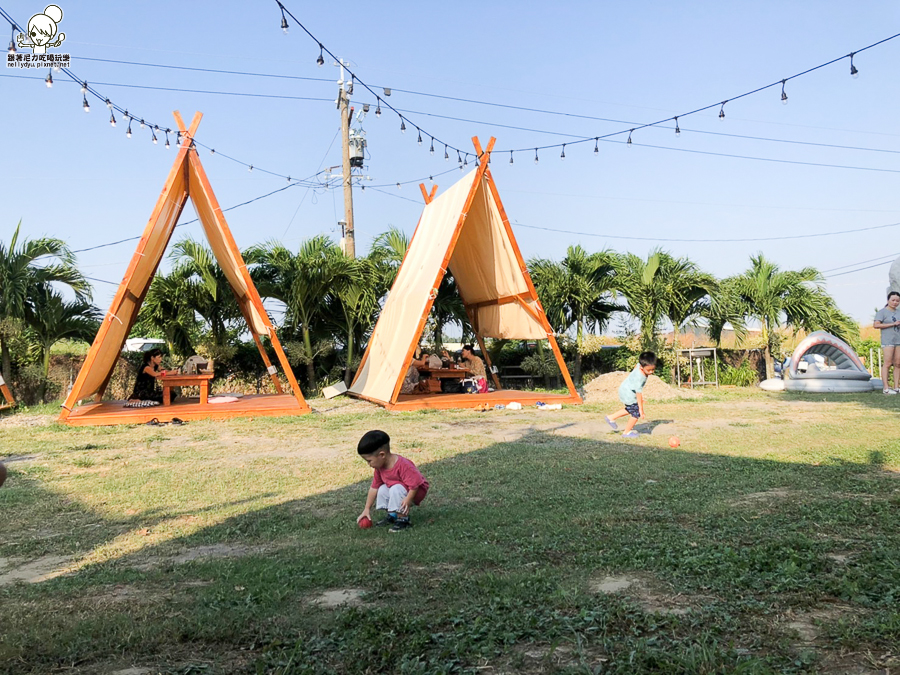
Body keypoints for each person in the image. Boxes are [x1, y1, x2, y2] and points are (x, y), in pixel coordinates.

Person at [356, 430, 429, 533]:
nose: (369, 464)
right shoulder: (379, 467)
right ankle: (393, 515)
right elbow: (374, 488)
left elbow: (415, 485)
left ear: (382, 455)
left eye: (369, 461)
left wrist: (408, 500)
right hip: (401, 490)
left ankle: (403, 520)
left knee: (396, 489)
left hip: (415, 492)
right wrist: (366, 509)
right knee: (382, 489)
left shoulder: (403, 465)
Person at [604, 351, 657, 439]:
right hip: (628, 393)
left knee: (630, 408)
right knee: (636, 413)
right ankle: (627, 432)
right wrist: (641, 409)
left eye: (653, 369)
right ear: (642, 368)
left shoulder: (639, 365)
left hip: (625, 389)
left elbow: (636, 366)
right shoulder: (639, 378)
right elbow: (638, 393)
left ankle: (611, 417)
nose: (651, 372)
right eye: (648, 370)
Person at [874, 291, 900, 394]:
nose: (895, 302)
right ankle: (886, 388)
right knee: (888, 363)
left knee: (898, 363)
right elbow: (876, 325)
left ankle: (896, 387)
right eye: (893, 300)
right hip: (888, 340)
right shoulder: (882, 312)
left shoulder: (898, 312)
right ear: (888, 300)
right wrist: (892, 324)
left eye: (897, 301)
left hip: (898, 340)